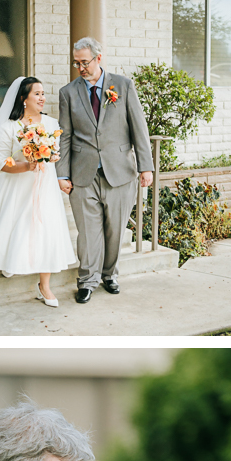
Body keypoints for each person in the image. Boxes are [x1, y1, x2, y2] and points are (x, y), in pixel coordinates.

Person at [0, 77, 76, 307]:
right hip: (18, 186)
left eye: (43, 93)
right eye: (37, 94)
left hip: (44, 188)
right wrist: (27, 165)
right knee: (15, 228)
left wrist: (52, 160)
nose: (43, 97)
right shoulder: (9, 127)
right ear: (24, 99)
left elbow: (57, 155)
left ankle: (44, 286)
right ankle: (11, 261)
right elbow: (0, 163)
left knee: (46, 231)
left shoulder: (52, 124)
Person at [58, 37, 154, 304]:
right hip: (83, 174)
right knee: (88, 232)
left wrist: (146, 166)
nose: (80, 68)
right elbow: (65, 136)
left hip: (120, 172)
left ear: (99, 58)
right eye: (76, 63)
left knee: (115, 229)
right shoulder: (67, 92)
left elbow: (139, 128)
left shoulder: (123, 85)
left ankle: (109, 274)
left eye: (84, 62)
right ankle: (87, 281)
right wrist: (62, 174)